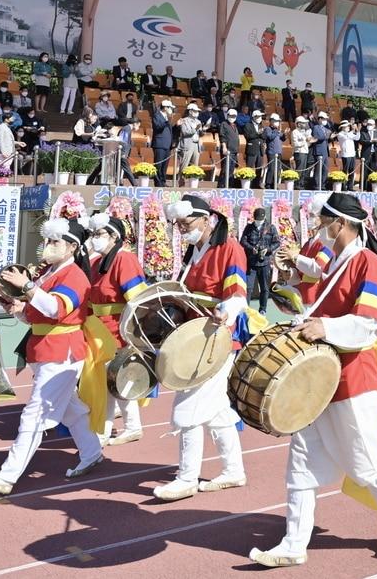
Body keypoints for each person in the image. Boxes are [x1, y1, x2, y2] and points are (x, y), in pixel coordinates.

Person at [247, 193, 377, 567]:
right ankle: (293, 543)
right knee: (301, 463)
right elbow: (314, 307)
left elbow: (372, 322)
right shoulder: (336, 262)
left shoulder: (367, 261)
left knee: (368, 462)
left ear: (342, 223)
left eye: (325, 221)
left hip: (354, 376)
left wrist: (325, 326)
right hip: (318, 377)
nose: (321, 227)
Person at [0, 219, 104, 494]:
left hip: (61, 353)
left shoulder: (74, 276)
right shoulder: (52, 273)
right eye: (49, 240)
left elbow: (55, 309)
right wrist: (16, 308)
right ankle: (92, 453)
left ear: (72, 247)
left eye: (55, 242)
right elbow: (37, 315)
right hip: (46, 350)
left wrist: (28, 287)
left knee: (35, 415)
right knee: (72, 410)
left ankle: (7, 477)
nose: (49, 246)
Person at [155, 195, 248, 500]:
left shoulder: (229, 248)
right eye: (178, 224)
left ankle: (186, 478)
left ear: (207, 219)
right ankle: (234, 470)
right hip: (194, 338)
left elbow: (237, 295)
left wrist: (226, 311)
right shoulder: (194, 251)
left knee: (188, 407)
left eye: (186, 223)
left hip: (215, 340)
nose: (182, 229)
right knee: (219, 413)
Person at [83, 212, 148, 444]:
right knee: (107, 382)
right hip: (98, 332)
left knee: (116, 379)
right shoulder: (95, 262)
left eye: (99, 234)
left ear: (114, 236)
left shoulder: (124, 259)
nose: (94, 238)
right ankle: (110, 428)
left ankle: (123, 427)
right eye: (93, 234)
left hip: (118, 330)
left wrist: (132, 334)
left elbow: (138, 300)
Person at [241, 207, 280, 315]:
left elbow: (277, 242)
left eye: (260, 220)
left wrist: (268, 250)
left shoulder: (271, 228)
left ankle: (263, 309)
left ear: (264, 218)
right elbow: (243, 241)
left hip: (265, 262)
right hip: (251, 262)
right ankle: (246, 308)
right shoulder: (249, 227)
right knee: (248, 287)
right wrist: (251, 248)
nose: (258, 222)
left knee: (264, 288)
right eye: (257, 220)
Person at [150, 99, 175, 187]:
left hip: (167, 144)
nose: (170, 109)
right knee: (158, 164)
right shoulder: (157, 115)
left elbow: (170, 130)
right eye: (169, 107)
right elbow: (158, 127)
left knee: (165, 165)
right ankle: (158, 182)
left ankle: (163, 181)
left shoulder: (166, 118)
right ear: (165, 107)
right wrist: (167, 121)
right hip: (159, 143)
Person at [217, 108, 241, 188]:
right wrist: (224, 147)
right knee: (225, 169)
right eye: (230, 115)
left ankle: (229, 186)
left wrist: (237, 151)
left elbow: (236, 138)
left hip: (234, 151)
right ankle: (221, 186)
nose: (232, 117)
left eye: (234, 116)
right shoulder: (224, 124)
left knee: (231, 170)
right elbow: (222, 136)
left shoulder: (235, 125)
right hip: (227, 150)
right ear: (227, 115)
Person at [177, 104, 203, 173]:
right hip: (187, 144)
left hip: (196, 145)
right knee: (184, 164)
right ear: (190, 111)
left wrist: (203, 130)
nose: (197, 113)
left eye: (197, 111)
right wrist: (195, 129)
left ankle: (193, 182)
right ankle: (181, 181)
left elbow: (200, 134)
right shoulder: (184, 120)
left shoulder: (198, 121)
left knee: (195, 166)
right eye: (195, 111)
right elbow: (185, 132)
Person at [262, 114, 285, 188]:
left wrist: (285, 134)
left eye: (278, 121)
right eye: (275, 121)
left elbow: (282, 138)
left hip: (278, 152)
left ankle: (275, 184)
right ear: (271, 121)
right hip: (271, 152)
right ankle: (268, 183)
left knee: (278, 169)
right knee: (271, 168)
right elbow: (270, 137)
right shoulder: (268, 129)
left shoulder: (277, 131)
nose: (277, 123)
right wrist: (277, 131)